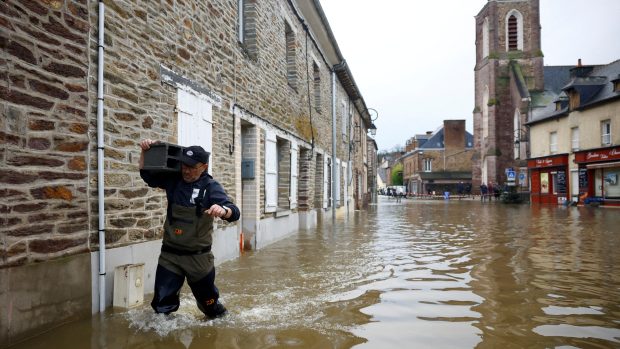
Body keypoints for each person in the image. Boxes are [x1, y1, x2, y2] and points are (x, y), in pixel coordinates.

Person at [139, 139, 240, 319]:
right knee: (161, 308)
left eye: (192, 167)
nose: (186, 170)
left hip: (198, 259)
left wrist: (223, 210)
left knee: (210, 308)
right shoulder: (173, 180)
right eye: (184, 165)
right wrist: (146, 151)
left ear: (204, 167)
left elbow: (234, 213)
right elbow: (147, 175)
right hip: (170, 256)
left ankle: (222, 321)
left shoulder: (211, 187)